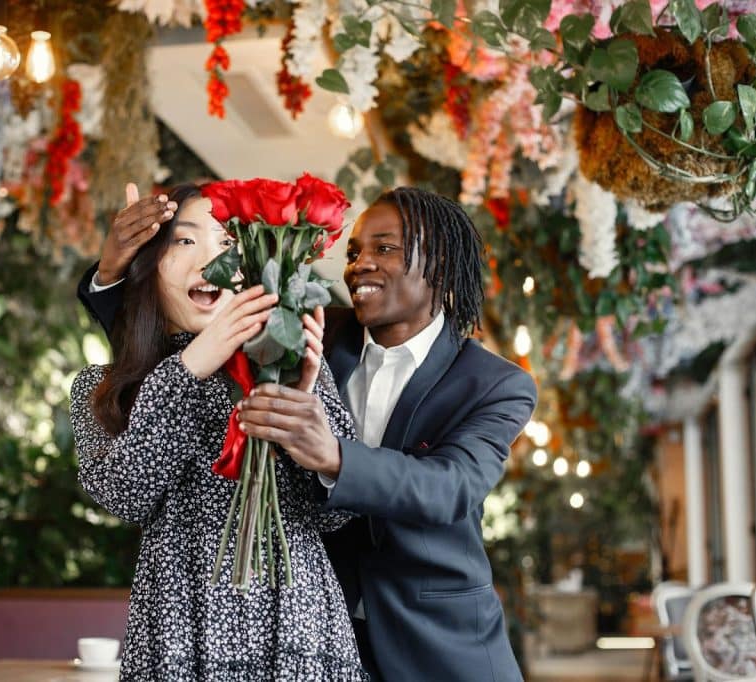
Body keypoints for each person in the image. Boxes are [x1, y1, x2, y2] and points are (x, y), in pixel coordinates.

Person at [78, 185, 536, 681]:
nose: (359, 265)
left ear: (440, 265)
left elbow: (450, 487)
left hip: (429, 643)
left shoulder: (494, 384)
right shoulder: (297, 335)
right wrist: (114, 271)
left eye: (385, 248)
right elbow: (157, 337)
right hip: (286, 624)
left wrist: (333, 456)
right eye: (353, 252)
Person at [69, 183, 366, 680]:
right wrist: (188, 369)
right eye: (185, 241)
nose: (211, 260)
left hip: (297, 629)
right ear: (146, 267)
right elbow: (126, 495)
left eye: (227, 242)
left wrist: (300, 413)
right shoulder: (103, 388)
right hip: (178, 628)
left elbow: (338, 513)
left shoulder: (287, 364)